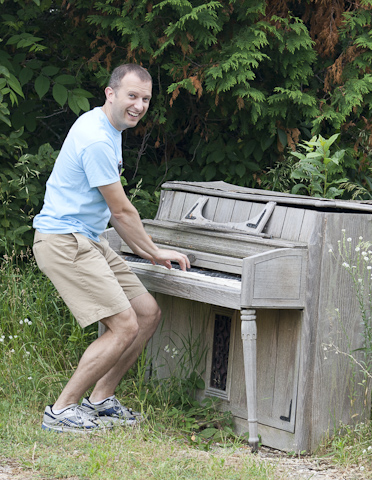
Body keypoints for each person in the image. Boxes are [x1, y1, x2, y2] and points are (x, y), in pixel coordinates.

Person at [32, 63, 190, 432]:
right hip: (64, 241)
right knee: (123, 325)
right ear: (111, 93)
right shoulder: (98, 138)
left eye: (146, 99)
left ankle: (100, 400)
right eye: (132, 96)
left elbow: (115, 213)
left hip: (87, 237)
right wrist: (153, 252)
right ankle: (61, 410)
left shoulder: (109, 126)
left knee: (147, 313)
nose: (138, 105)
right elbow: (121, 210)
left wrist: (148, 248)